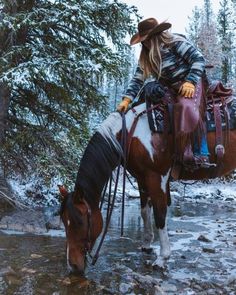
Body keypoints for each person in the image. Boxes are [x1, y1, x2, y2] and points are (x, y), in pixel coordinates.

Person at [117, 17, 210, 168]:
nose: (144, 43)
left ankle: (200, 152)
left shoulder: (175, 42)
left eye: (146, 39)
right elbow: (138, 79)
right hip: (170, 86)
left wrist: (190, 81)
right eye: (142, 40)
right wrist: (127, 99)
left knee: (186, 106)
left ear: (155, 35)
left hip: (192, 81)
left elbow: (199, 59)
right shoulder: (146, 55)